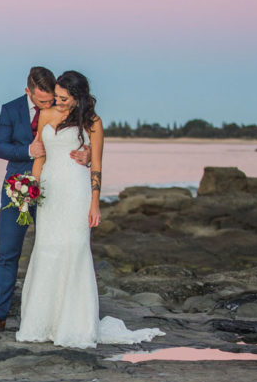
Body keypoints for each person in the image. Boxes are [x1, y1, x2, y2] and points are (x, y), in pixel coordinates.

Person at [16, 70, 163, 348]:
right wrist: (30, 190)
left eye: (63, 98)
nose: (56, 102)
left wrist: (95, 203)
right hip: (49, 190)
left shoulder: (93, 123)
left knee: (75, 248)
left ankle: (74, 326)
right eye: (56, 97)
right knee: (47, 249)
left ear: (77, 98)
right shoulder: (46, 116)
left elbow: (96, 165)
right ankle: (44, 323)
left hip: (76, 190)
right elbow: (40, 158)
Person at [0, 67, 89, 331]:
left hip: (56, 189)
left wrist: (88, 154)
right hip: (17, 187)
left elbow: (82, 137)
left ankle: (54, 316)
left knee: (52, 250)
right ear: (28, 92)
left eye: (51, 100)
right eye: (41, 102)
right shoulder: (10, 109)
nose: (49, 106)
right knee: (8, 252)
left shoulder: (64, 105)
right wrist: (27, 150)